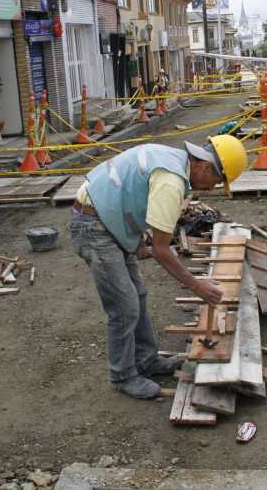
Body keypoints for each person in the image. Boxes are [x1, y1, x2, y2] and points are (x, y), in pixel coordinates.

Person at [69, 136, 248, 399]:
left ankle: (146, 361)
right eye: (218, 181)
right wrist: (198, 286)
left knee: (137, 295)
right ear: (204, 166)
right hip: (94, 227)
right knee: (124, 306)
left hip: (109, 222)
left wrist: (137, 238)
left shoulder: (173, 160)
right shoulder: (171, 180)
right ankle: (122, 376)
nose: (212, 188)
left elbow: (133, 193)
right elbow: (163, 251)